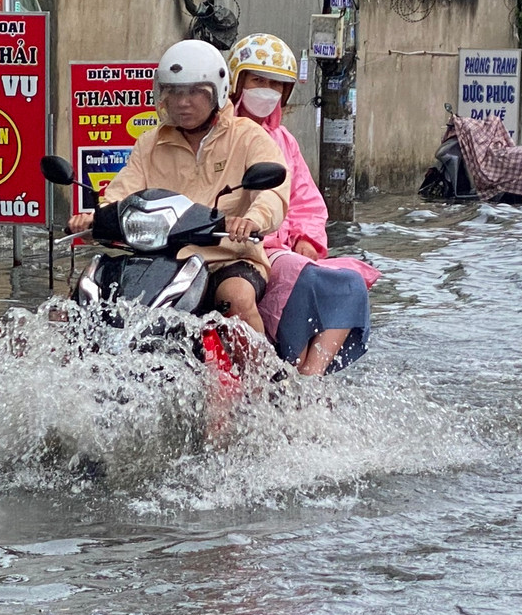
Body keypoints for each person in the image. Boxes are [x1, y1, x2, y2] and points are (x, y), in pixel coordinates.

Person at [66, 39, 290, 337]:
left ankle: (264, 377)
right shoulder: (150, 143)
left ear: (217, 92)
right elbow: (121, 192)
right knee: (86, 293)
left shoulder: (248, 137)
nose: (183, 102)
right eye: (174, 92)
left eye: (196, 91)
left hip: (224, 257)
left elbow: (273, 192)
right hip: (159, 259)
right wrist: (96, 217)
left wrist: (252, 220)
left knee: (236, 297)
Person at [226, 33, 378, 375]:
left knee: (350, 283)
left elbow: (305, 201)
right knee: (305, 279)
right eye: (258, 80)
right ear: (238, 81)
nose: (266, 90)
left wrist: (307, 238)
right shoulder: (224, 135)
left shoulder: (284, 140)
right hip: (243, 246)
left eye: (276, 84)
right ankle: (288, 370)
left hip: (285, 249)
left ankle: (310, 378)